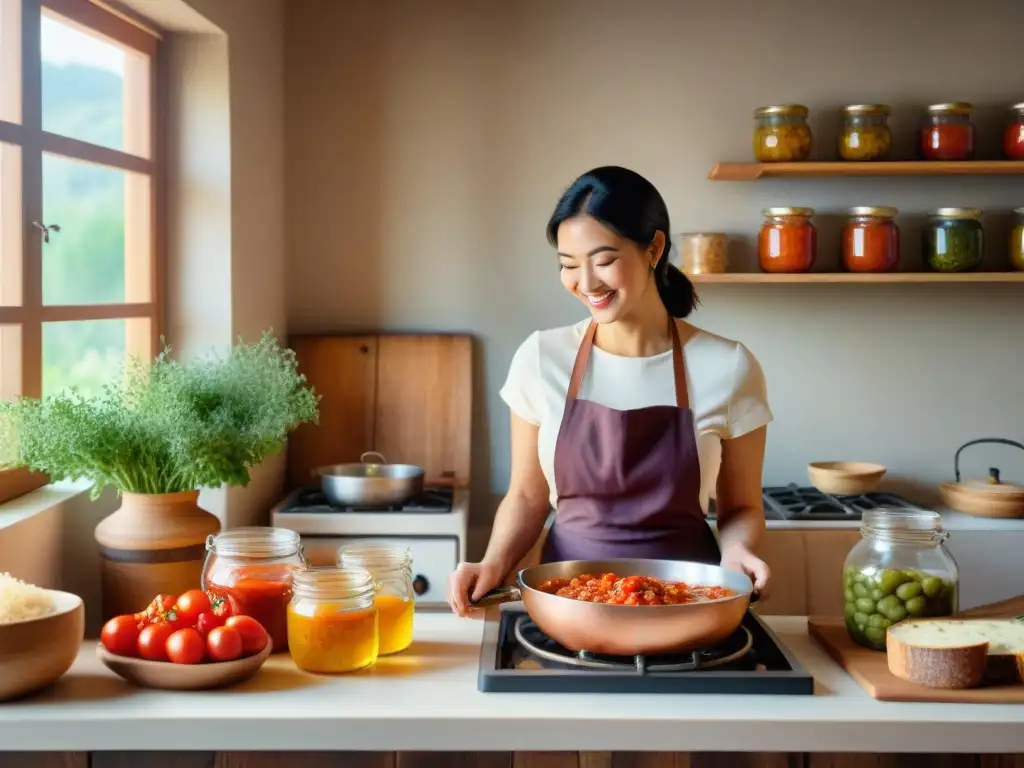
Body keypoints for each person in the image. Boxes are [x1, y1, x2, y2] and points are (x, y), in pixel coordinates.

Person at [447, 165, 772, 616]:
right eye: (567, 265)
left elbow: (741, 506)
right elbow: (526, 495)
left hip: (688, 604)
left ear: (654, 248)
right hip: (569, 603)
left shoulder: (728, 366)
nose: (586, 282)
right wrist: (493, 563)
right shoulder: (541, 358)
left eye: (603, 261)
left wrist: (736, 553)